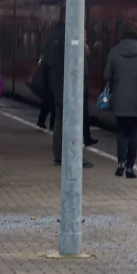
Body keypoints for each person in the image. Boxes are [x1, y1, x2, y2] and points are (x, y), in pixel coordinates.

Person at [103, 20, 137, 179]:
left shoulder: (114, 51)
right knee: (134, 133)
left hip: (120, 99)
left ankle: (120, 163)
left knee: (122, 132)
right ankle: (130, 167)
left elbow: (106, 75)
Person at [42, 16, 93, 169]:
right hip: (69, 86)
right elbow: (78, 61)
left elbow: (45, 59)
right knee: (72, 119)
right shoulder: (71, 33)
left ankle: (59, 154)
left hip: (57, 84)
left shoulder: (53, 34)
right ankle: (72, 156)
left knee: (60, 119)